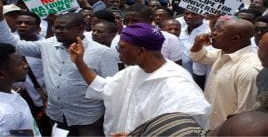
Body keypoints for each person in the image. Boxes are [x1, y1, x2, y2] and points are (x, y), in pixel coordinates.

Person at [0, 0, 118, 136]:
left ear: (80, 28)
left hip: (89, 121)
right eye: (56, 28)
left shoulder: (102, 52)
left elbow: (112, 91)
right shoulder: (47, 45)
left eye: (63, 28)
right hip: (57, 117)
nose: (57, 32)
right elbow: (12, 45)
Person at [68, 23, 211, 136]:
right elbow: (103, 88)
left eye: (122, 48)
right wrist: (79, 62)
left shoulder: (177, 85)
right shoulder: (134, 71)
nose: (118, 52)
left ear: (141, 51)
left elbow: (184, 131)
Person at [190, 17, 262, 129]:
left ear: (235, 38)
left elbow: (244, 114)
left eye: (219, 31)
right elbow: (198, 57)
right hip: (209, 126)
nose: (212, 33)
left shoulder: (248, 70)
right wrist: (197, 43)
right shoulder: (223, 53)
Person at [179, 10, 210, 89]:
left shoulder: (208, 33)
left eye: (194, 14)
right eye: (186, 13)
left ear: (203, 16)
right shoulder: (180, 31)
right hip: (182, 77)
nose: (189, 16)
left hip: (200, 78)